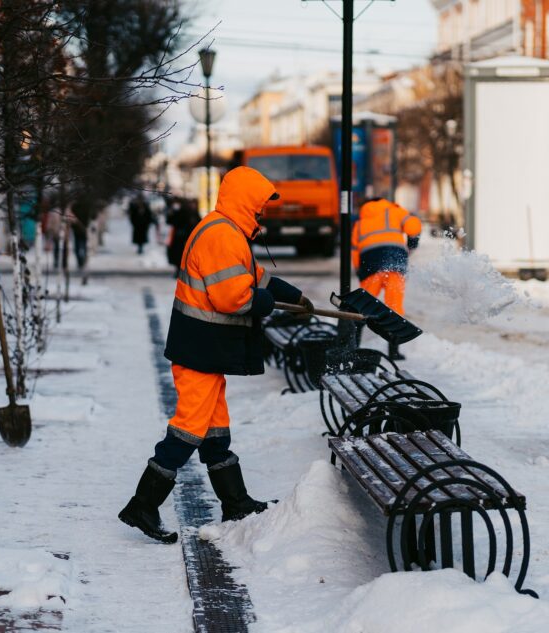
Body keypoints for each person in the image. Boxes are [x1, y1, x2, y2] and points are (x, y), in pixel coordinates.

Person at [119, 167, 314, 543]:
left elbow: (254, 278)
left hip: (204, 349)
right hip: (199, 349)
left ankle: (236, 501)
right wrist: (269, 302)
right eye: (261, 205)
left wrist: (293, 295)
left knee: (214, 428)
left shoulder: (226, 231)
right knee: (189, 428)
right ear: (246, 201)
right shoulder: (222, 235)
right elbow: (234, 297)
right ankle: (142, 505)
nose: (263, 213)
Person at [351, 197, 422, 360]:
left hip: (370, 263)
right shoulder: (395, 211)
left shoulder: (359, 224)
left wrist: (360, 272)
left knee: (363, 305)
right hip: (394, 260)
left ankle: (354, 346)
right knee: (394, 305)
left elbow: (355, 251)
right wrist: (413, 244)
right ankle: (394, 351)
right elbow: (414, 226)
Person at [165, 197, 200, 278]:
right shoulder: (184, 212)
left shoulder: (190, 212)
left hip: (185, 238)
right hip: (180, 238)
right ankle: (179, 271)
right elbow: (171, 221)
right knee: (180, 255)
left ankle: (180, 271)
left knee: (182, 256)